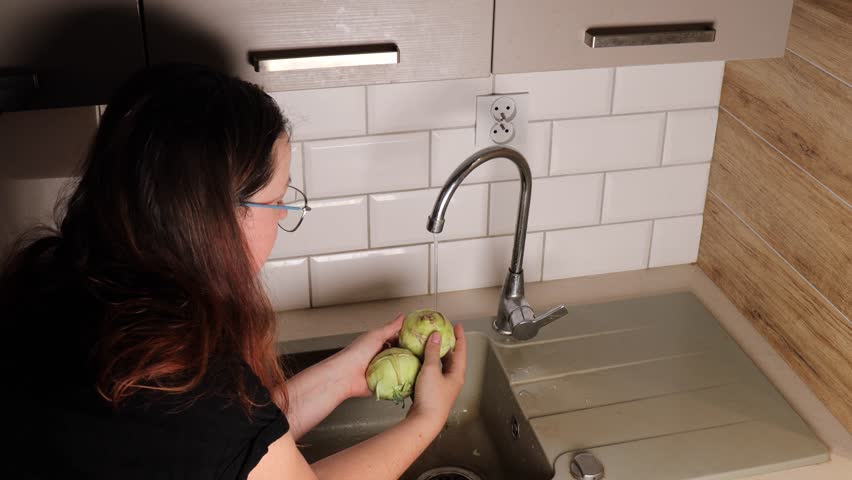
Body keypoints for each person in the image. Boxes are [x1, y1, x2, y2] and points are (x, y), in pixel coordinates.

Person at [1, 64, 466, 480]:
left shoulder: (65, 292)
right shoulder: (183, 373)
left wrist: (344, 376)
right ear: (220, 215)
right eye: (278, 199)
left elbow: (241, 448)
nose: (283, 217)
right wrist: (426, 420)